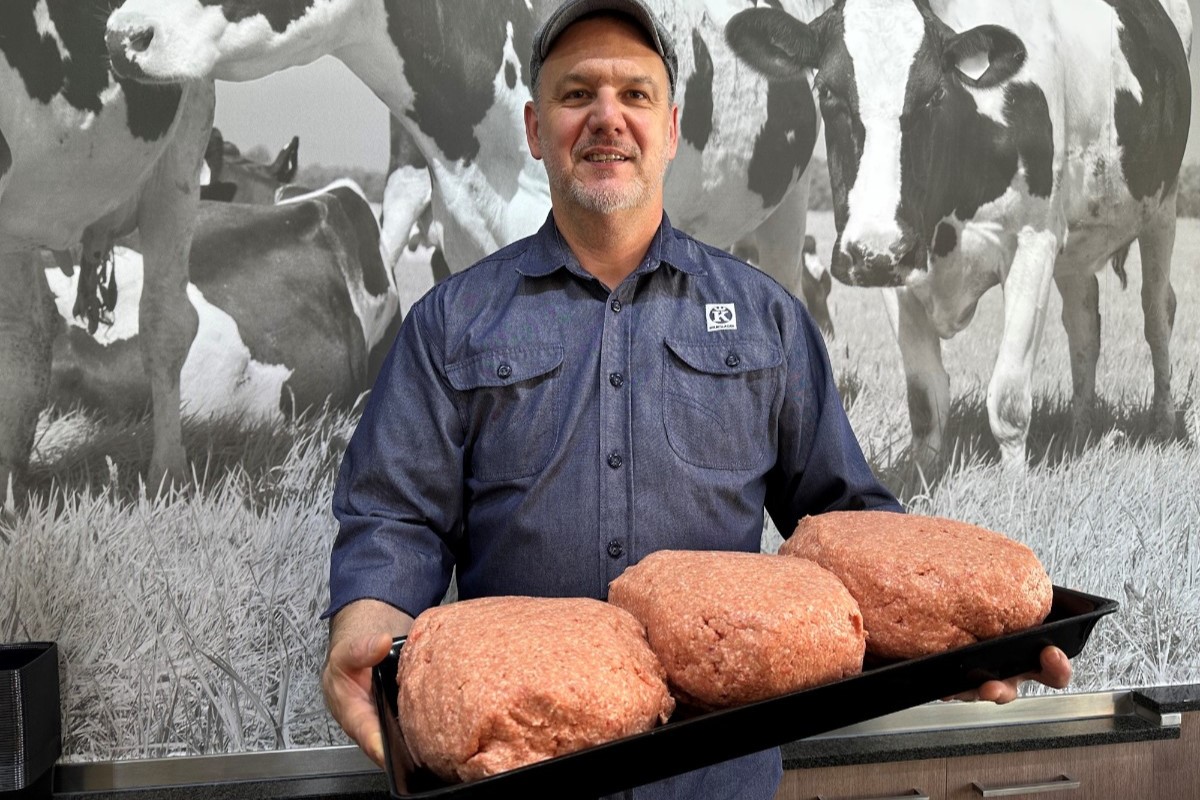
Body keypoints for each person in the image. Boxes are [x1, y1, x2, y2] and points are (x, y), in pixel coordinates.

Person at [320, 0, 1073, 797]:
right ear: (536, 130)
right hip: (518, 763)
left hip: (720, 781)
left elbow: (842, 514)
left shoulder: (767, 316)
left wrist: (939, 648)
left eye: (635, 96)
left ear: (673, 129)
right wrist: (369, 613)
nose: (608, 119)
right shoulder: (451, 321)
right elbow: (395, 514)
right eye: (578, 95)